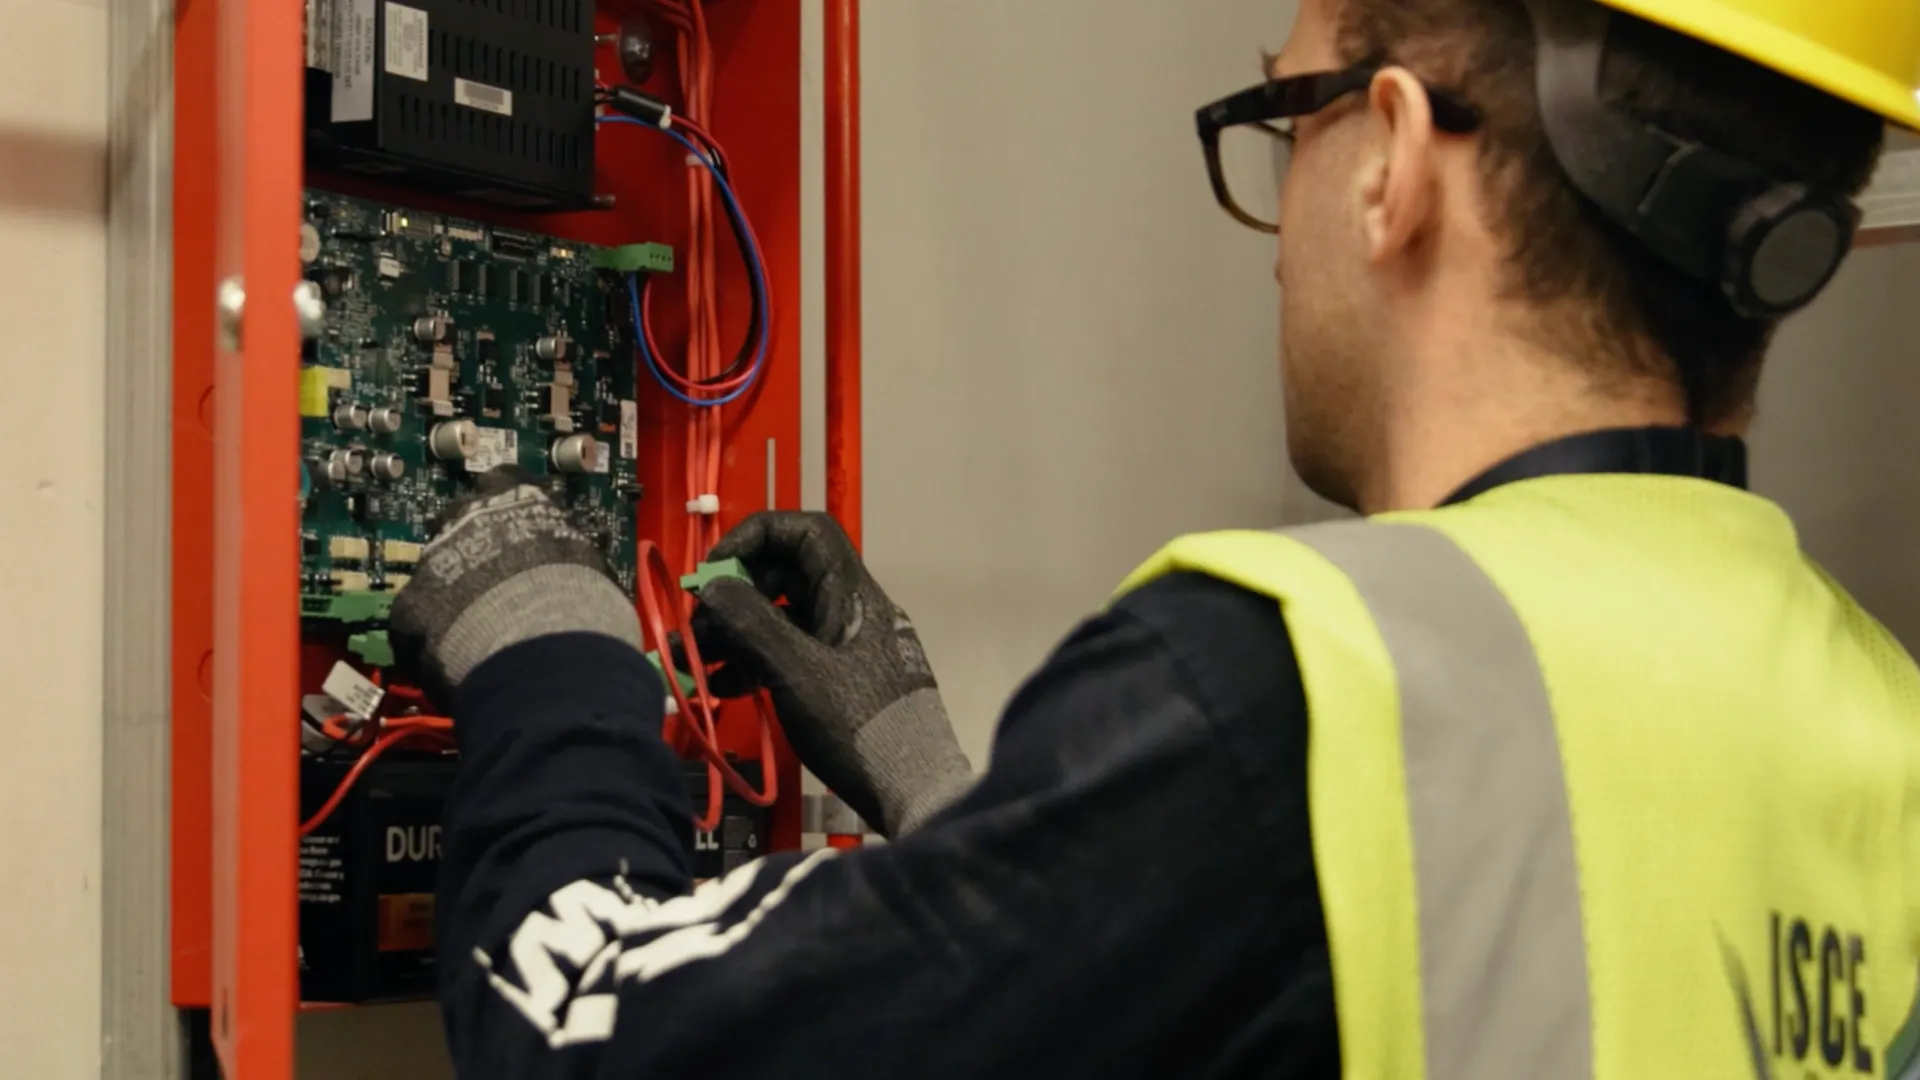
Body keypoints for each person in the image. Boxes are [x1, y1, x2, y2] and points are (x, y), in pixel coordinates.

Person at [389, 0, 1920, 1075]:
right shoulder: (1875, 716)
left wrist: (556, 661)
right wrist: (943, 794)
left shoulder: (1306, 685)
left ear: (1388, 157)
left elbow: (593, 1030)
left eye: (1284, 114)